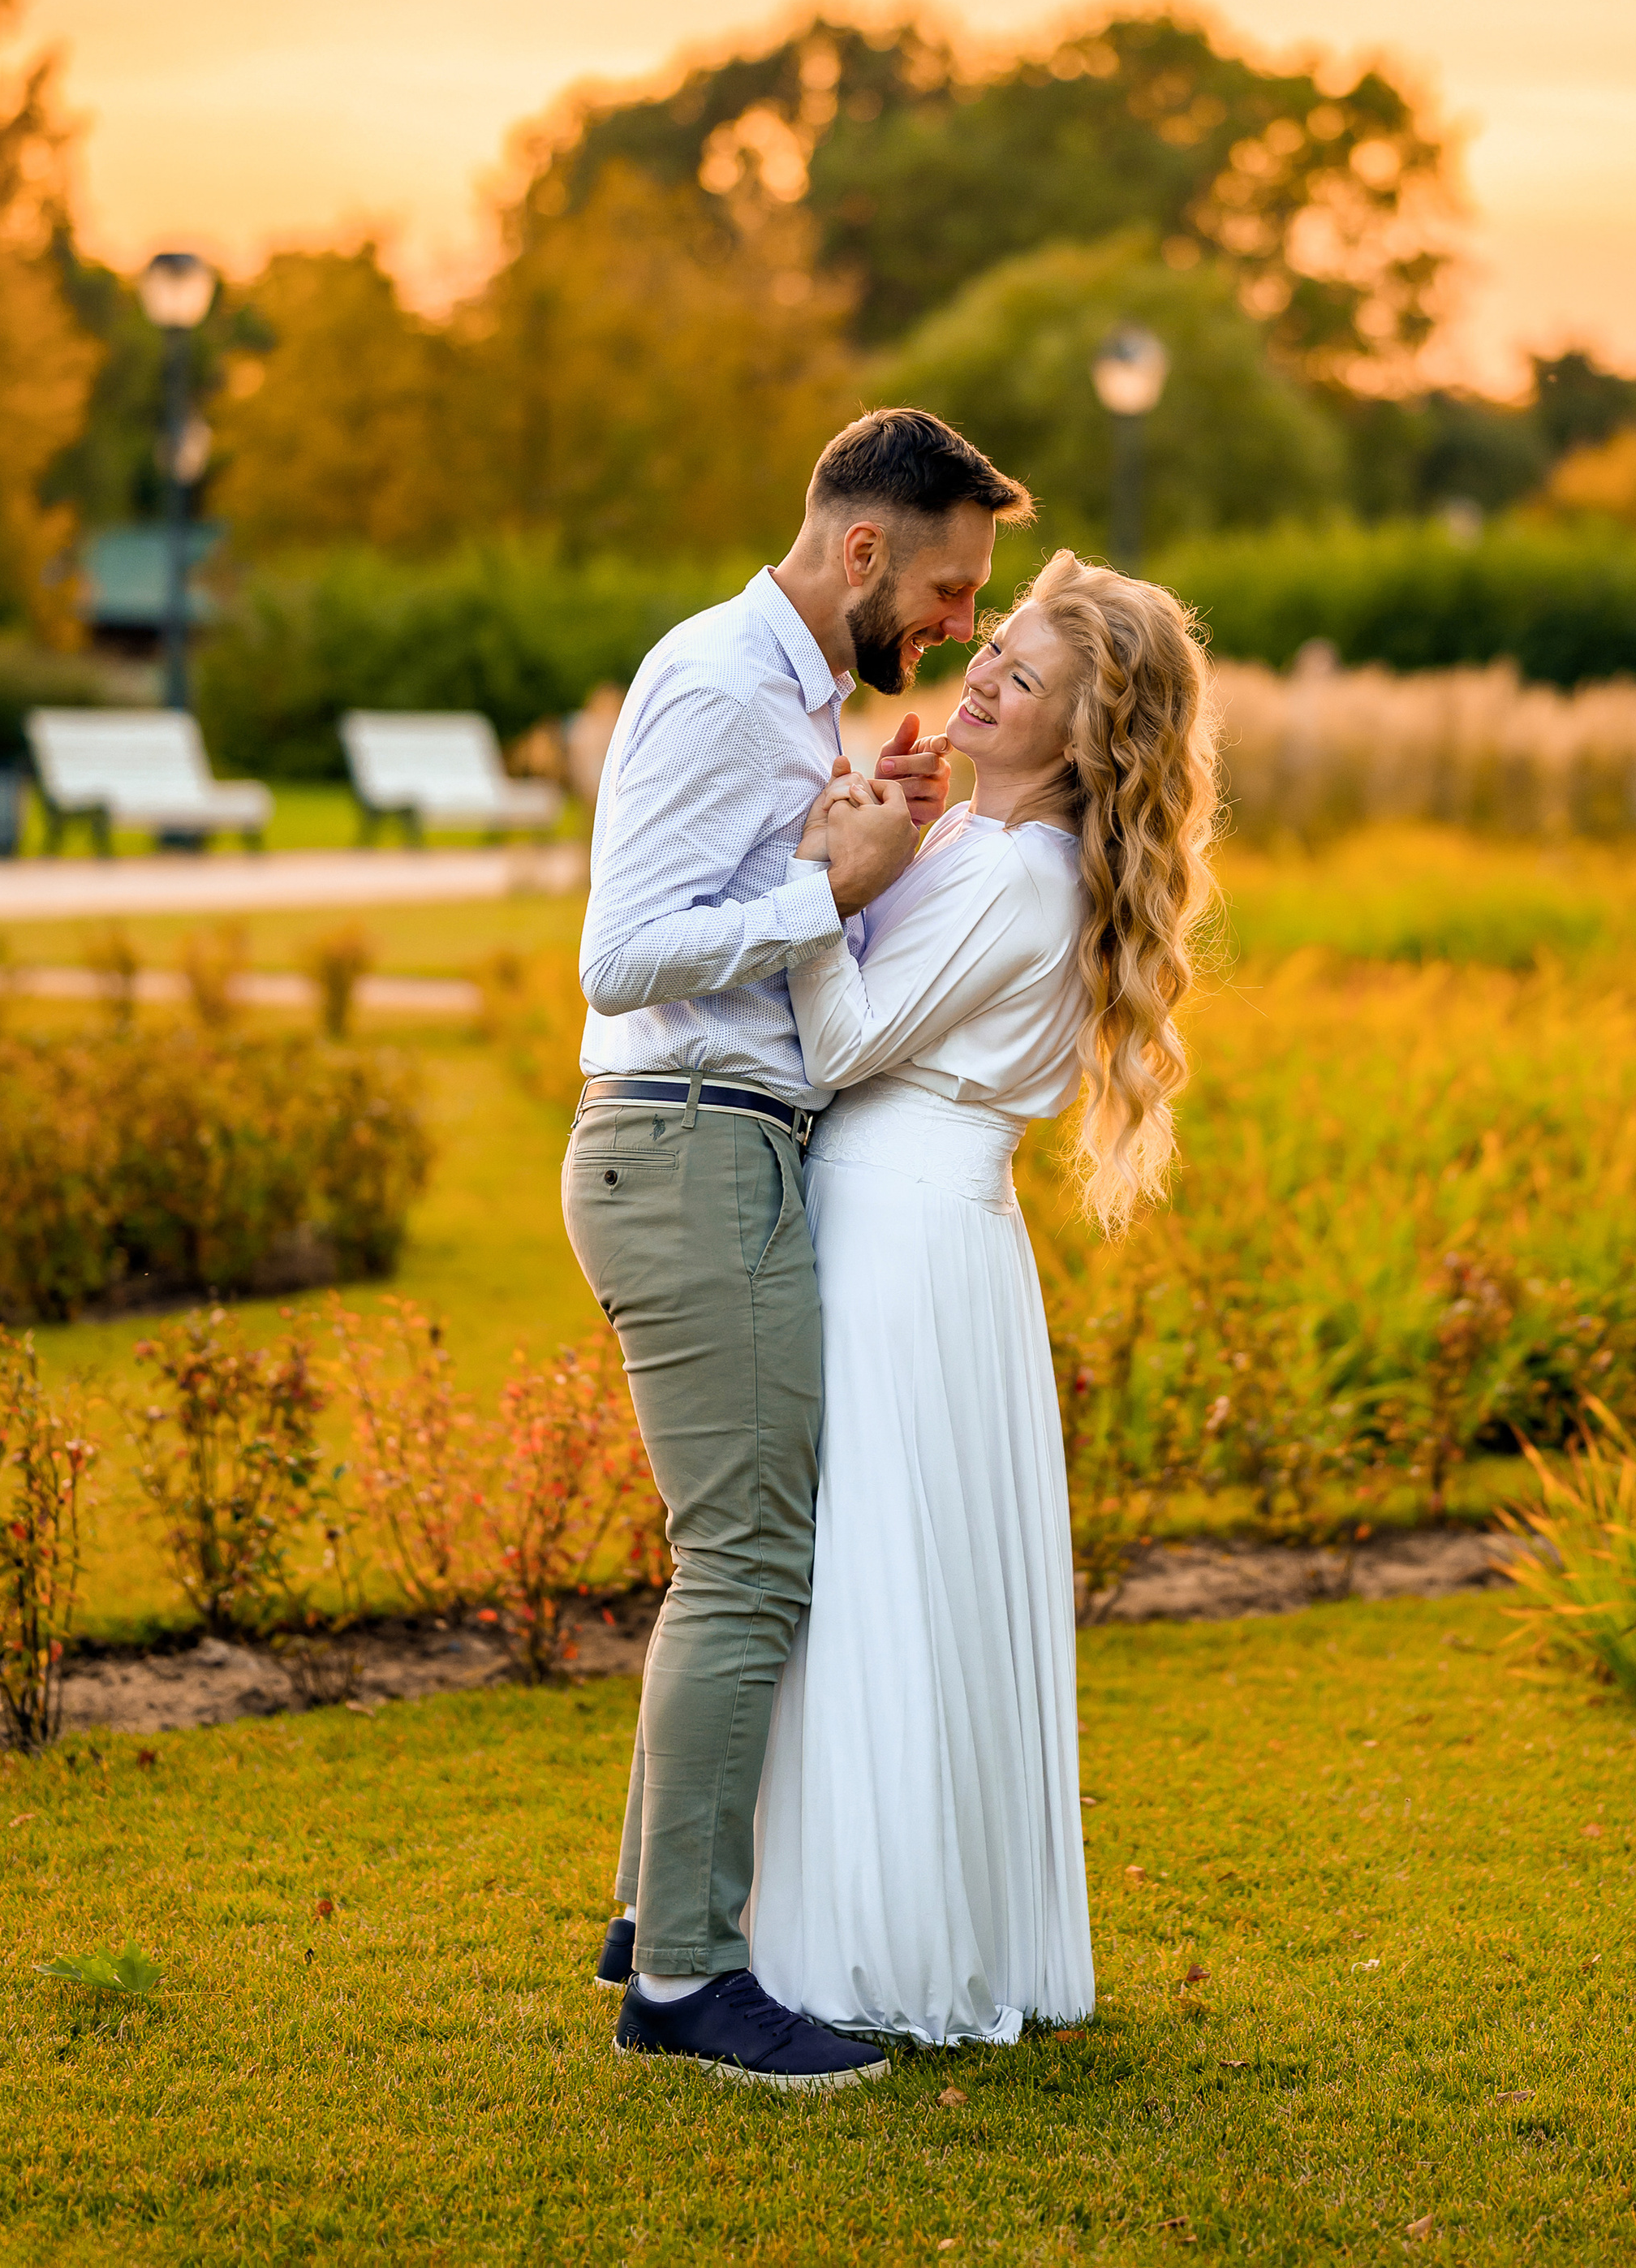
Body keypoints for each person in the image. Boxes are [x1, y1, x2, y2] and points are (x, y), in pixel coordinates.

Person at [562, 407, 1033, 2095]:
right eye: (949, 588)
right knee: (748, 1563)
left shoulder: (793, 695)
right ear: (862, 549)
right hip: (689, 1139)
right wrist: (827, 892)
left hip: (722, 1140)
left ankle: (652, 1917)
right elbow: (621, 955)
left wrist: (866, 843)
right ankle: (689, 1978)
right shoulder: (719, 681)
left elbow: (760, 910)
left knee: (736, 1553)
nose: (961, 625)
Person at [746, 549, 1220, 2046]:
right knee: (882, 1571)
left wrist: (824, 883)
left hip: (900, 1235)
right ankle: (872, 1912)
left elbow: (842, 1047)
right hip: (922, 1224)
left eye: (1026, 677)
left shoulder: (1019, 873)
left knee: (873, 1575)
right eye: (996, 647)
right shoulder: (986, 842)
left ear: (1086, 737)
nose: (986, 676)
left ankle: (872, 1952)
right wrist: (888, 843)